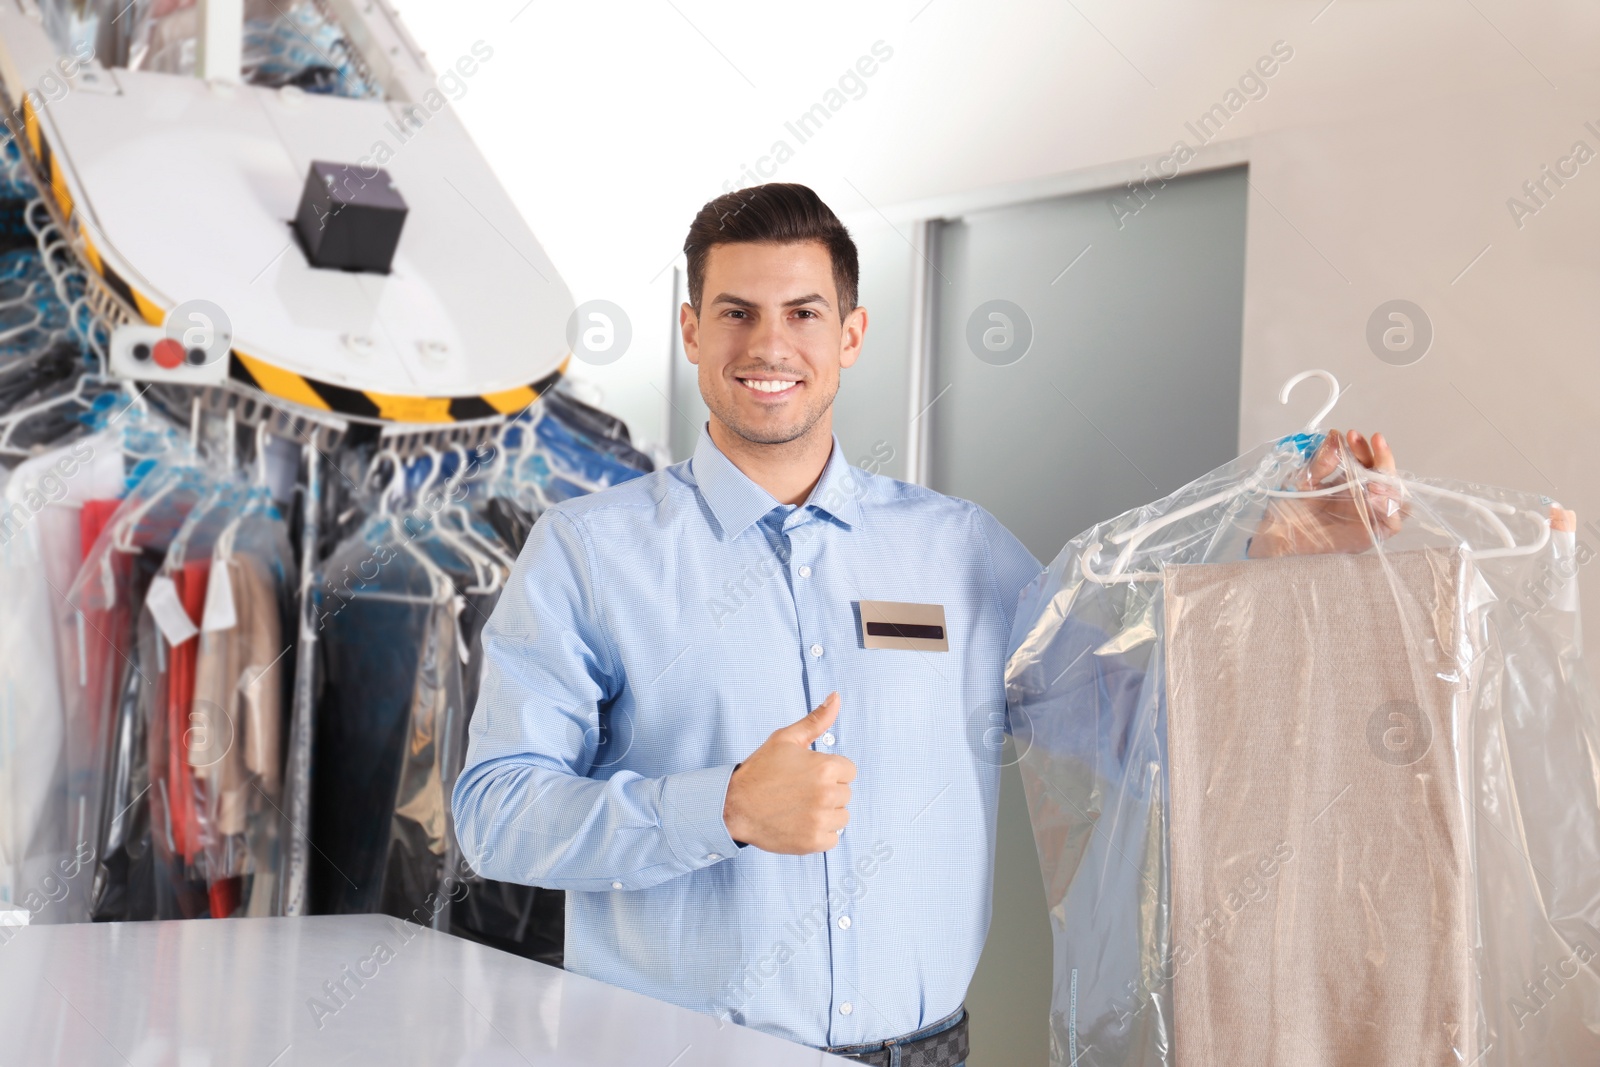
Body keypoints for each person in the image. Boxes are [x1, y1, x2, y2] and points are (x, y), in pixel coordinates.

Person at [451, 182, 1401, 1065]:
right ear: (694, 331)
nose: (768, 345)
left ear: (853, 333)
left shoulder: (960, 551)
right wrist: (725, 807)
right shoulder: (588, 551)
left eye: (803, 313)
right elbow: (495, 817)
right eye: (736, 312)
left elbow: (1140, 734)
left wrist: (1276, 578)